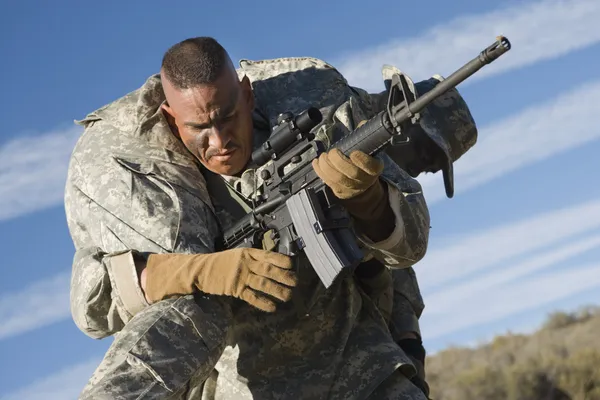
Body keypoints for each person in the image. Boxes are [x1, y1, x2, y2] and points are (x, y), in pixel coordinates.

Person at [64, 36, 477, 399]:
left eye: (227, 118)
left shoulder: (339, 130)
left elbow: (403, 275)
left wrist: (368, 202)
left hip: (357, 372)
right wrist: (194, 272)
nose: (220, 140)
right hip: (244, 385)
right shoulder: (134, 169)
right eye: (201, 128)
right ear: (173, 119)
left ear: (247, 97)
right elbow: (93, 305)